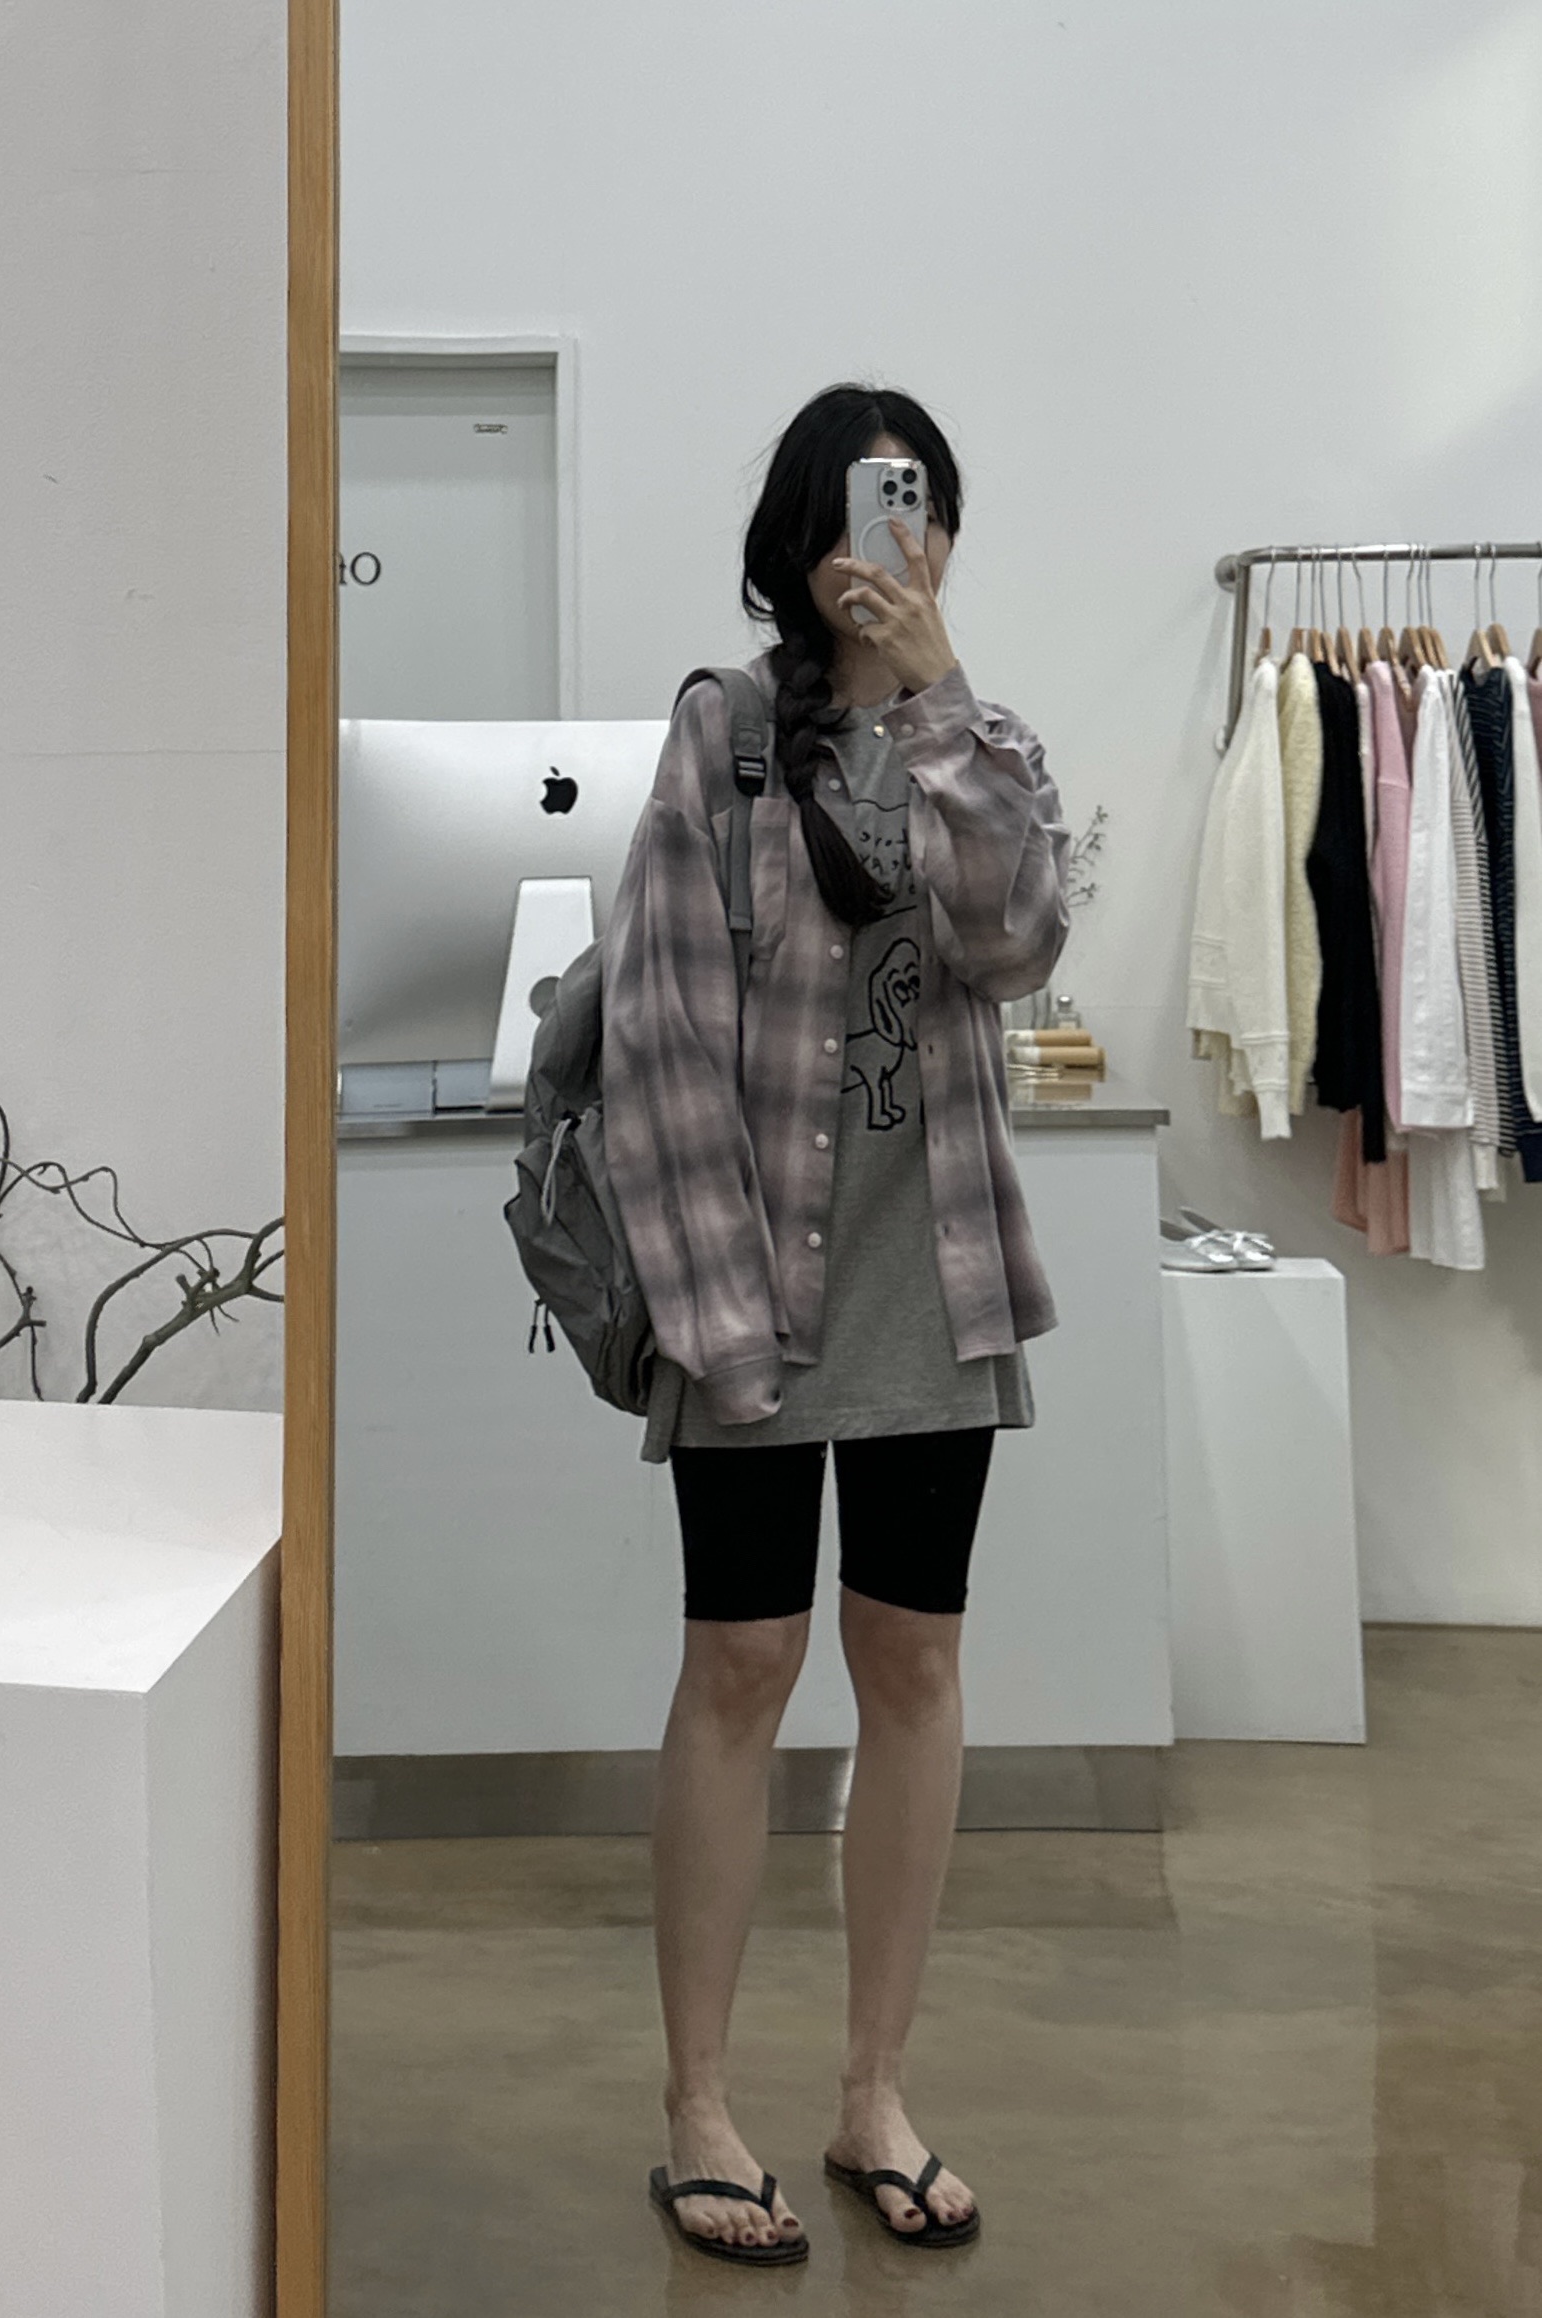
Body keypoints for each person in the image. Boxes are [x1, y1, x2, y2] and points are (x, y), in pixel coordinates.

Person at [599, 382, 1071, 2262]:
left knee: (914, 1664)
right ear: (801, 538)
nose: (897, 537)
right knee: (739, 1664)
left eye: (922, 505)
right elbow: (654, 1029)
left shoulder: (984, 744)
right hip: (753, 1281)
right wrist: (718, 1323)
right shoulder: (721, 736)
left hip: (929, 1285)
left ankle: (874, 2086)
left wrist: (937, 695)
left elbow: (1016, 944)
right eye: (870, 505)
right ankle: (698, 2103)